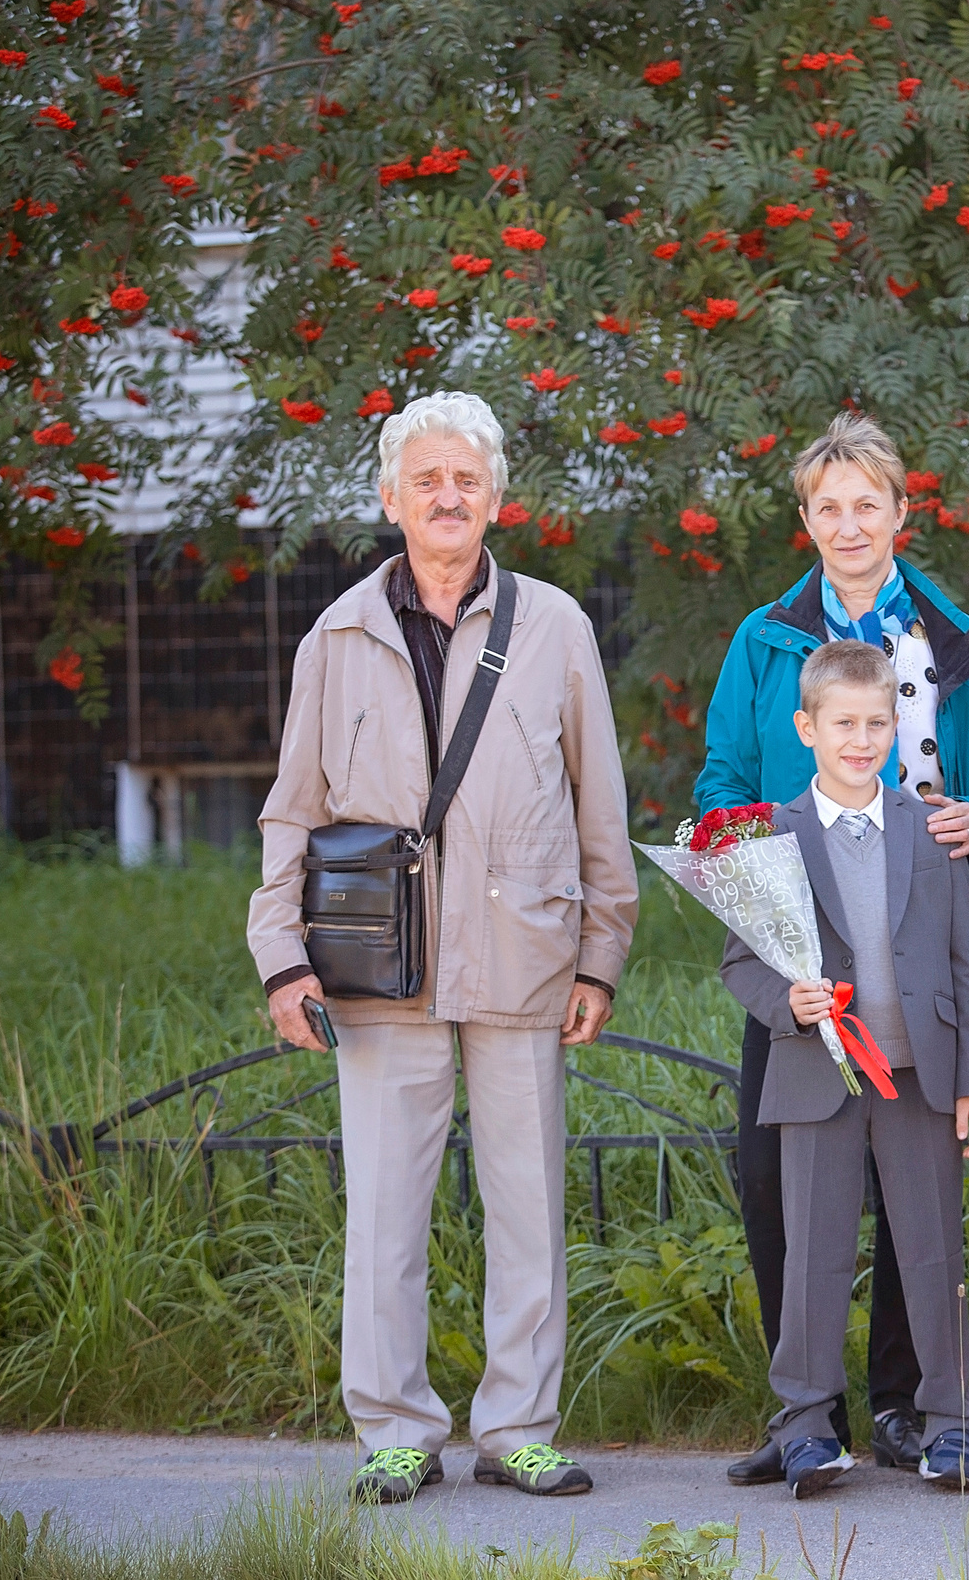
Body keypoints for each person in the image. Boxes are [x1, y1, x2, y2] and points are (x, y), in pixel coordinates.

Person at [248, 391, 640, 1503]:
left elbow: (597, 802)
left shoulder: (555, 625)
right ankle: (395, 1431)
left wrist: (601, 955)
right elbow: (293, 807)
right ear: (389, 498)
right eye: (425, 478)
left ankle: (517, 1424)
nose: (447, 495)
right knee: (383, 1212)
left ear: (497, 498)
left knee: (528, 1208)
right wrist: (282, 953)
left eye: (466, 478)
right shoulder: (336, 634)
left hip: (523, 954)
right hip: (378, 967)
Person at [695, 411, 969, 1486]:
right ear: (804, 517)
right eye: (826, 506)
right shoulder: (765, 637)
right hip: (807, 953)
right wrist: (757, 888)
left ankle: (912, 1406)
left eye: (865, 504)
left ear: (899, 512)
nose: (847, 524)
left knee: (920, 1214)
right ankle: (804, 1412)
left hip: (922, 938)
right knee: (792, 1195)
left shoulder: (957, 640)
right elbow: (722, 786)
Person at [717, 638, 969, 1499]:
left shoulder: (927, 827)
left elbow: (965, 962)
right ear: (807, 726)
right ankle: (805, 1424)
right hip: (818, 1075)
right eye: (844, 722)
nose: (862, 738)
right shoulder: (771, 835)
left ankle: (951, 1425)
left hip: (917, 1072)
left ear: (897, 725)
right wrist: (787, 1002)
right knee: (814, 1256)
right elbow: (740, 962)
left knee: (931, 1248)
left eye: (879, 722)